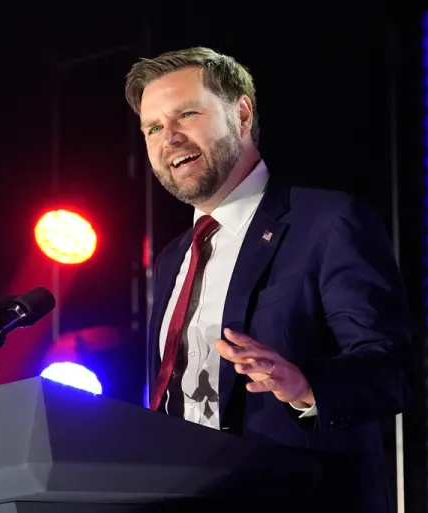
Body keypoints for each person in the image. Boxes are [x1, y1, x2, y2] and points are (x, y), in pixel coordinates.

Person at [124, 47, 412, 513]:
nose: (168, 138)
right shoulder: (172, 258)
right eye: (153, 128)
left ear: (241, 112)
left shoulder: (327, 222)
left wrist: (304, 387)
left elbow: (390, 371)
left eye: (186, 115)